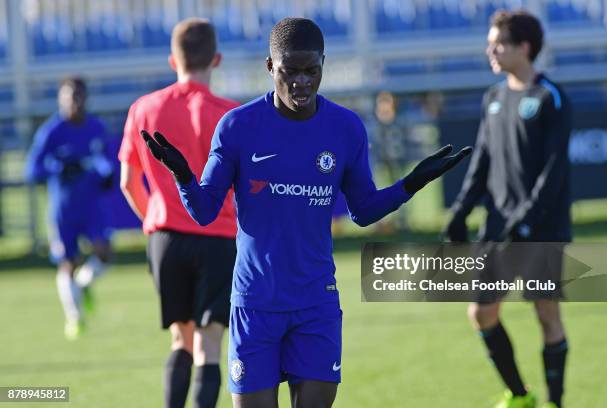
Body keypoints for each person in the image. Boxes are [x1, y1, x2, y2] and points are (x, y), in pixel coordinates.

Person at [142, 18, 471, 408]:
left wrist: (410, 184)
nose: (301, 81)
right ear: (269, 67)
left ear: (323, 64)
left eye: (311, 70)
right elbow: (203, 210)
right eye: (289, 71)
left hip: (316, 305)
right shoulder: (237, 126)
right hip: (255, 305)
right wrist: (183, 175)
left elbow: (363, 211)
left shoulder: (345, 127)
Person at [445, 10, 572, 408]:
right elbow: (482, 162)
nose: (491, 50)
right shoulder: (494, 99)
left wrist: (528, 221)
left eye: (498, 43)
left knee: (546, 315)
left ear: (524, 48)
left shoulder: (549, 97)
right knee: (481, 313)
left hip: (542, 230)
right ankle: (520, 396)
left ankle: (554, 401)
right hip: (498, 228)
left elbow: (553, 173)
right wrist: (461, 210)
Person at [118, 18, 238, 408]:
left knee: (180, 340)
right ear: (216, 59)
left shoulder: (143, 109)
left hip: (165, 236)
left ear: (173, 60)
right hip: (219, 238)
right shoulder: (231, 115)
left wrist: (151, 219)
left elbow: (127, 182)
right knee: (210, 344)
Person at [25, 77, 114, 340]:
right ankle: (74, 319)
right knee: (67, 262)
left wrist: (107, 175)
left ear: (86, 98)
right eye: (68, 96)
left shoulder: (96, 127)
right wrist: (59, 167)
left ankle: (84, 284)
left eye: (78, 96)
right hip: (63, 209)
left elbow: (108, 160)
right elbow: (32, 170)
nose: (74, 101)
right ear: (60, 99)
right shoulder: (51, 132)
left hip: (92, 206)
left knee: (104, 253)